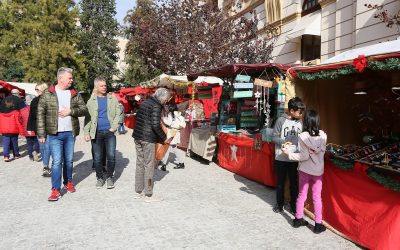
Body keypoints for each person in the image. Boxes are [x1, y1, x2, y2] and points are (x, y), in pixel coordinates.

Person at [37, 67, 88, 202]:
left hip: (70, 133)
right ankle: (55, 189)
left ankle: (68, 181)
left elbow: (84, 109)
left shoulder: (74, 93)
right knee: (57, 161)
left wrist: (71, 111)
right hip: (54, 134)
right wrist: (41, 134)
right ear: (61, 78)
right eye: (69, 78)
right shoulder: (48, 93)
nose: (72, 80)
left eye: (72, 78)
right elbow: (40, 114)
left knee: (69, 160)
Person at [283, 110, 327, 234]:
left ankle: (298, 219)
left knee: (302, 194)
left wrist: (289, 154)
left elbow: (303, 156)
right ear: (317, 121)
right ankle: (318, 224)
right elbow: (321, 151)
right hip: (318, 171)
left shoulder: (302, 136)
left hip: (304, 170)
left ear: (306, 121)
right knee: (317, 197)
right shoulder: (323, 135)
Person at [133, 88, 170, 202]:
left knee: (140, 163)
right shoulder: (156, 105)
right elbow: (155, 124)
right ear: (162, 97)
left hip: (138, 136)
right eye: (166, 99)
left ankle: (138, 191)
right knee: (149, 165)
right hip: (147, 139)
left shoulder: (146, 102)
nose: (166, 101)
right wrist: (164, 138)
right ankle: (148, 194)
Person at [84, 77, 121, 189]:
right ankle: (100, 178)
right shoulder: (91, 101)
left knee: (111, 156)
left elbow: (118, 114)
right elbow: (88, 118)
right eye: (102, 85)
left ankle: (109, 177)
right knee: (97, 157)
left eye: (105, 85)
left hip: (110, 132)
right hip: (96, 133)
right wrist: (86, 132)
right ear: (96, 87)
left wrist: (114, 127)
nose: (104, 87)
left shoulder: (112, 99)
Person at [272, 96, 305, 214]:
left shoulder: (300, 122)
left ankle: (294, 205)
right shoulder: (281, 120)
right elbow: (274, 137)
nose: (301, 114)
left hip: (294, 158)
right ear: (291, 111)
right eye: (299, 111)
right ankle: (279, 204)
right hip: (281, 157)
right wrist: (283, 142)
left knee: (294, 184)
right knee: (280, 183)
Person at [28, 83, 52, 177]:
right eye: (36, 89)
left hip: (50, 127)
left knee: (49, 146)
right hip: (39, 128)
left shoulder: (51, 99)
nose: (36, 91)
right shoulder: (34, 100)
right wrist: (29, 128)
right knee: (42, 147)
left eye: (37, 89)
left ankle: (56, 164)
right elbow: (31, 115)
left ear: (44, 89)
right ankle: (46, 167)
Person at [160, 103, 186, 171]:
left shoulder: (170, 114)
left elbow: (169, 123)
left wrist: (163, 119)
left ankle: (164, 165)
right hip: (177, 132)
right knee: (174, 148)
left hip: (171, 132)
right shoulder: (179, 114)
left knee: (167, 148)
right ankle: (181, 163)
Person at [0, 97, 23, 162]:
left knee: (6, 144)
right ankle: (16, 155)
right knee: (14, 143)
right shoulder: (16, 112)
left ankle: (6, 156)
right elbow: (19, 123)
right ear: (12, 103)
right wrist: (21, 131)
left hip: (5, 131)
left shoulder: (1, 113)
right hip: (14, 130)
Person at [20, 96, 40, 161]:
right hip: (35, 128)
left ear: (26, 101)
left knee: (29, 143)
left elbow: (20, 120)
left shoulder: (22, 110)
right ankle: (36, 151)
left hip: (27, 129)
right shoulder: (37, 109)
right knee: (37, 141)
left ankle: (31, 156)